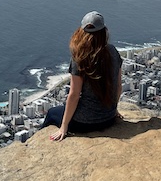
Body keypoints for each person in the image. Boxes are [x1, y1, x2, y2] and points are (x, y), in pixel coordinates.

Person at [42, 11, 123, 141]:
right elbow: (118, 86)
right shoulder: (113, 51)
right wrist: (114, 110)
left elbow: (74, 94)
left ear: (81, 32)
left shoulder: (80, 57)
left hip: (85, 123)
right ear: (104, 31)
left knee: (52, 113)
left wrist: (64, 126)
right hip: (109, 119)